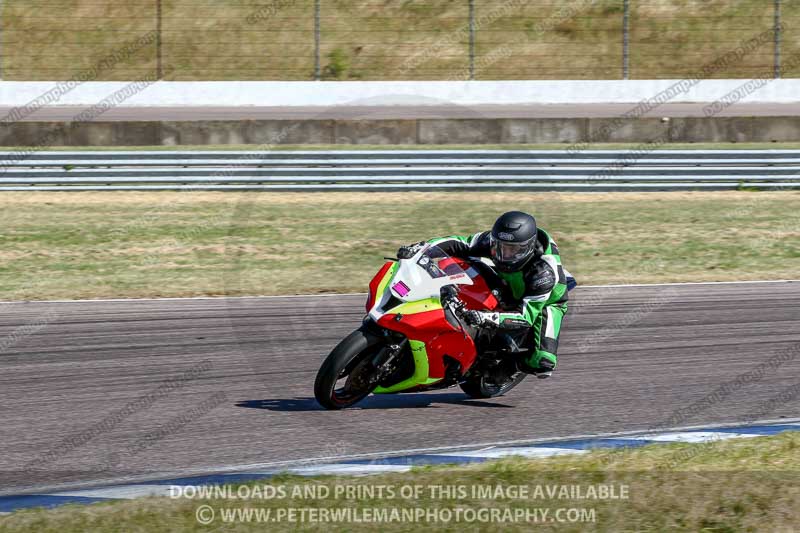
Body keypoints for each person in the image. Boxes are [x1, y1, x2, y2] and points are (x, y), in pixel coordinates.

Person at [398, 211, 569, 379]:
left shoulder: (543, 274)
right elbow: (459, 242)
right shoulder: (494, 240)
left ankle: (511, 367)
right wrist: (420, 250)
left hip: (545, 301)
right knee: (461, 260)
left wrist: (486, 318)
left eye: (512, 250)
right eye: (499, 247)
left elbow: (525, 317)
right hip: (506, 278)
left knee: (544, 363)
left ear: (528, 248)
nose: (503, 254)